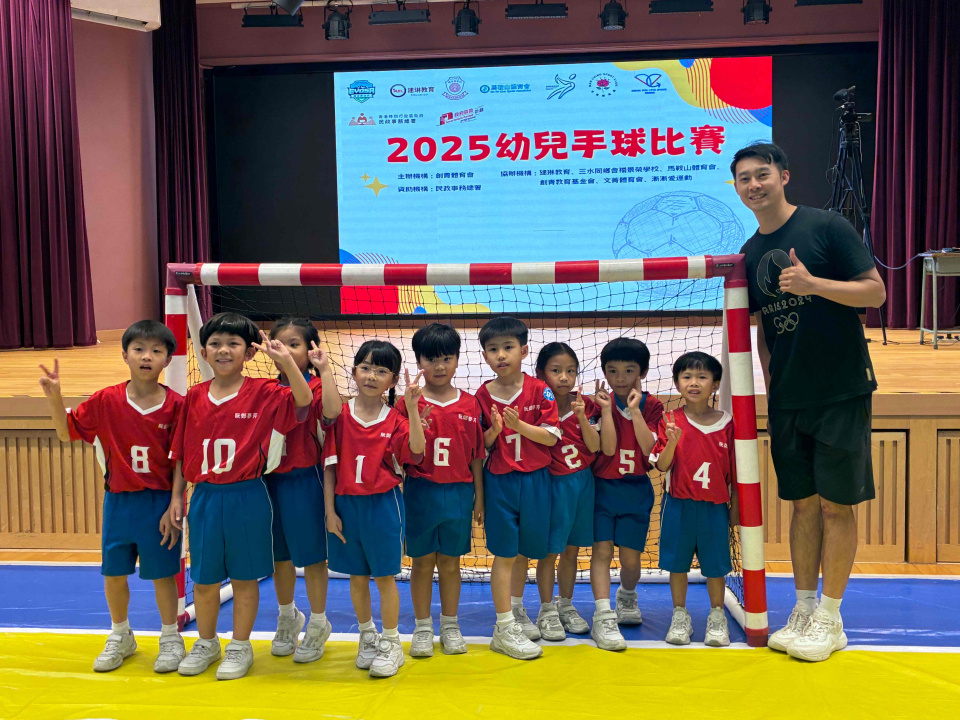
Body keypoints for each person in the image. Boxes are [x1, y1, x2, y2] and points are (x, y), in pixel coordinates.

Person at [733, 142, 886, 662]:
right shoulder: (750, 251)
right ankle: (802, 608)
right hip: (788, 397)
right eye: (744, 178)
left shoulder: (826, 227)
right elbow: (764, 331)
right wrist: (771, 385)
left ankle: (830, 617)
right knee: (802, 505)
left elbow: (875, 293)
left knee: (835, 505)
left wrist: (812, 283)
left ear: (784, 175)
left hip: (840, 388)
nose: (754, 185)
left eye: (762, 174)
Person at [167, 313, 313, 680]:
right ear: (203, 352)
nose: (223, 350)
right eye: (215, 343)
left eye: (233, 343)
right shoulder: (193, 397)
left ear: (249, 352)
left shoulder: (265, 392)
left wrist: (285, 362)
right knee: (204, 580)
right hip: (204, 497)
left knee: (245, 578)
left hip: (248, 495)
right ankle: (207, 643)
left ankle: (240, 646)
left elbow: (304, 398)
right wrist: (176, 497)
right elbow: (182, 452)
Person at [39, 320, 185, 674]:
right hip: (119, 502)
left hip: (159, 503)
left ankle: (170, 638)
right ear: (124, 355)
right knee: (114, 574)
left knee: (163, 575)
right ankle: (121, 635)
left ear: (168, 359)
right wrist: (55, 397)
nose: (146, 357)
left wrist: (176, 501)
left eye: (156, 351)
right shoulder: (106, 400)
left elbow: (181, 458)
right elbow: (65, 433)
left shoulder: (178, 405)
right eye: (139, 349)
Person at [322, 340, 426, 678]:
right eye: (365, 367)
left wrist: (412, 410)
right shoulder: (339, 414)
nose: (371, 375)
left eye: (381, 371)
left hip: (383, 505)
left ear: (393, 380)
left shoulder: (395, 419)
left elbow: (416, 452)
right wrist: (330, 511)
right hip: (346, 505)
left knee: (383, 577)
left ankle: (391, 642)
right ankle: (367, 636)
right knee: (357, 576)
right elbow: (330, 467)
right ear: (354, 372)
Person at [475, 316, 560, 660]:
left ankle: (517, 607)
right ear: (484, 356)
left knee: (525, 550)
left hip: (536, 480)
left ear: (523, 351)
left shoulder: (540, 390)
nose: (501, 355)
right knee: (505, 552)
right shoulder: (482, 395)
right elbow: (480, 446)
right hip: (500, 482)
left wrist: (519, 425)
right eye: (493, 349)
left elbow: (551, 437)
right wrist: (495, 431)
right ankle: (505, 624)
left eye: (508, 347)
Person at [399, 323, 485, 658]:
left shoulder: (471, 404)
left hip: (459, 494)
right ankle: (423, 627)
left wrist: (480, 498)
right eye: (431, 359)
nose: (439, 366)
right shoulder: (408, 403)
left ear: (457, 360)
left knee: (450, 563)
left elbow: (477, 456)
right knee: (421, 564)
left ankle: (450, 625)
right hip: (420, 492)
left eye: (446, 358)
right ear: (419, 361)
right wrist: (411, 411)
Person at [264, 318, 342, 664]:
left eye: (294, 344)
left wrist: (325, 370)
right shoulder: (265, 390)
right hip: (269, 481)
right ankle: (287, 616)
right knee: (278, 557)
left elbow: (333, 412)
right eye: (279, 344)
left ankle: (319, 622)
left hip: (306, 479)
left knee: (311, 558)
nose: (286, 350)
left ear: (311, 351)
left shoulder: (320, 387)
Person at [652, 352, 738, 647]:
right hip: (678, 505)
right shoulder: (669, 420)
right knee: (677, 565)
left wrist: (736, 506)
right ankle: (680, 615)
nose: (694, 383)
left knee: (715, 566)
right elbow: (661, 466)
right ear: (677, 383)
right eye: (687, 376)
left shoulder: (727, 423)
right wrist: (672, 442)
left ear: (715, 384)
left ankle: (717, 616)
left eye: (702, 377)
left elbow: (736, 472)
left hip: (715, 508)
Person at [590, 337, 663, 651]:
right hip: (602, 489)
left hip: (636, 490)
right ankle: (603, 614)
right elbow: (605, 448)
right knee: (601, 552)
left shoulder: (653, 406)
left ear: (642, 372)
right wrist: (606, 412)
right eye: (613, 370)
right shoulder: (597, 403)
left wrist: (634, 412)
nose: (620, 378)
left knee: (631, 561)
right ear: (604, 371)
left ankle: (627, 596)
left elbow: (650, 449)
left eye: (629, 370)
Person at [533, 342, 601, 641]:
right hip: (551, 486)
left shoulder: (587, 405)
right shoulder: (536, 406)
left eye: (570, 371)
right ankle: (546, 609)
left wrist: (582, 416)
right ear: (541, 373)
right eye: (556, 370)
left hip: (582, 483)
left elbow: (596, 447)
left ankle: (565, 604)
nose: (564, 377)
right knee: (549, 552)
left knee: (572, 550)